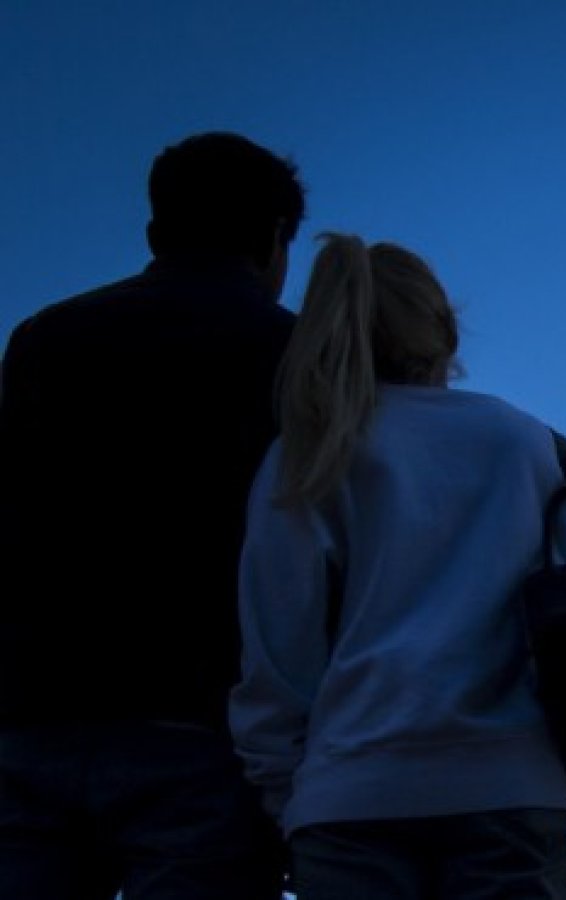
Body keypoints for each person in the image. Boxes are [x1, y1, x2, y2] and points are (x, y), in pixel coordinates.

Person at [228, 233, 566, 900]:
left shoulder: (312, 453)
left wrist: (286, 789)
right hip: (514, 786)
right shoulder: (526, 443)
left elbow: (279, 642)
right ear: (444, 334)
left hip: (351, 792)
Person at [0, 132, 305, 899]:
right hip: (206, 726)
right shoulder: (297, 355)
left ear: (155, 230)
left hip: (36, 713)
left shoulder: (43, 340)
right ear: (275, 237)